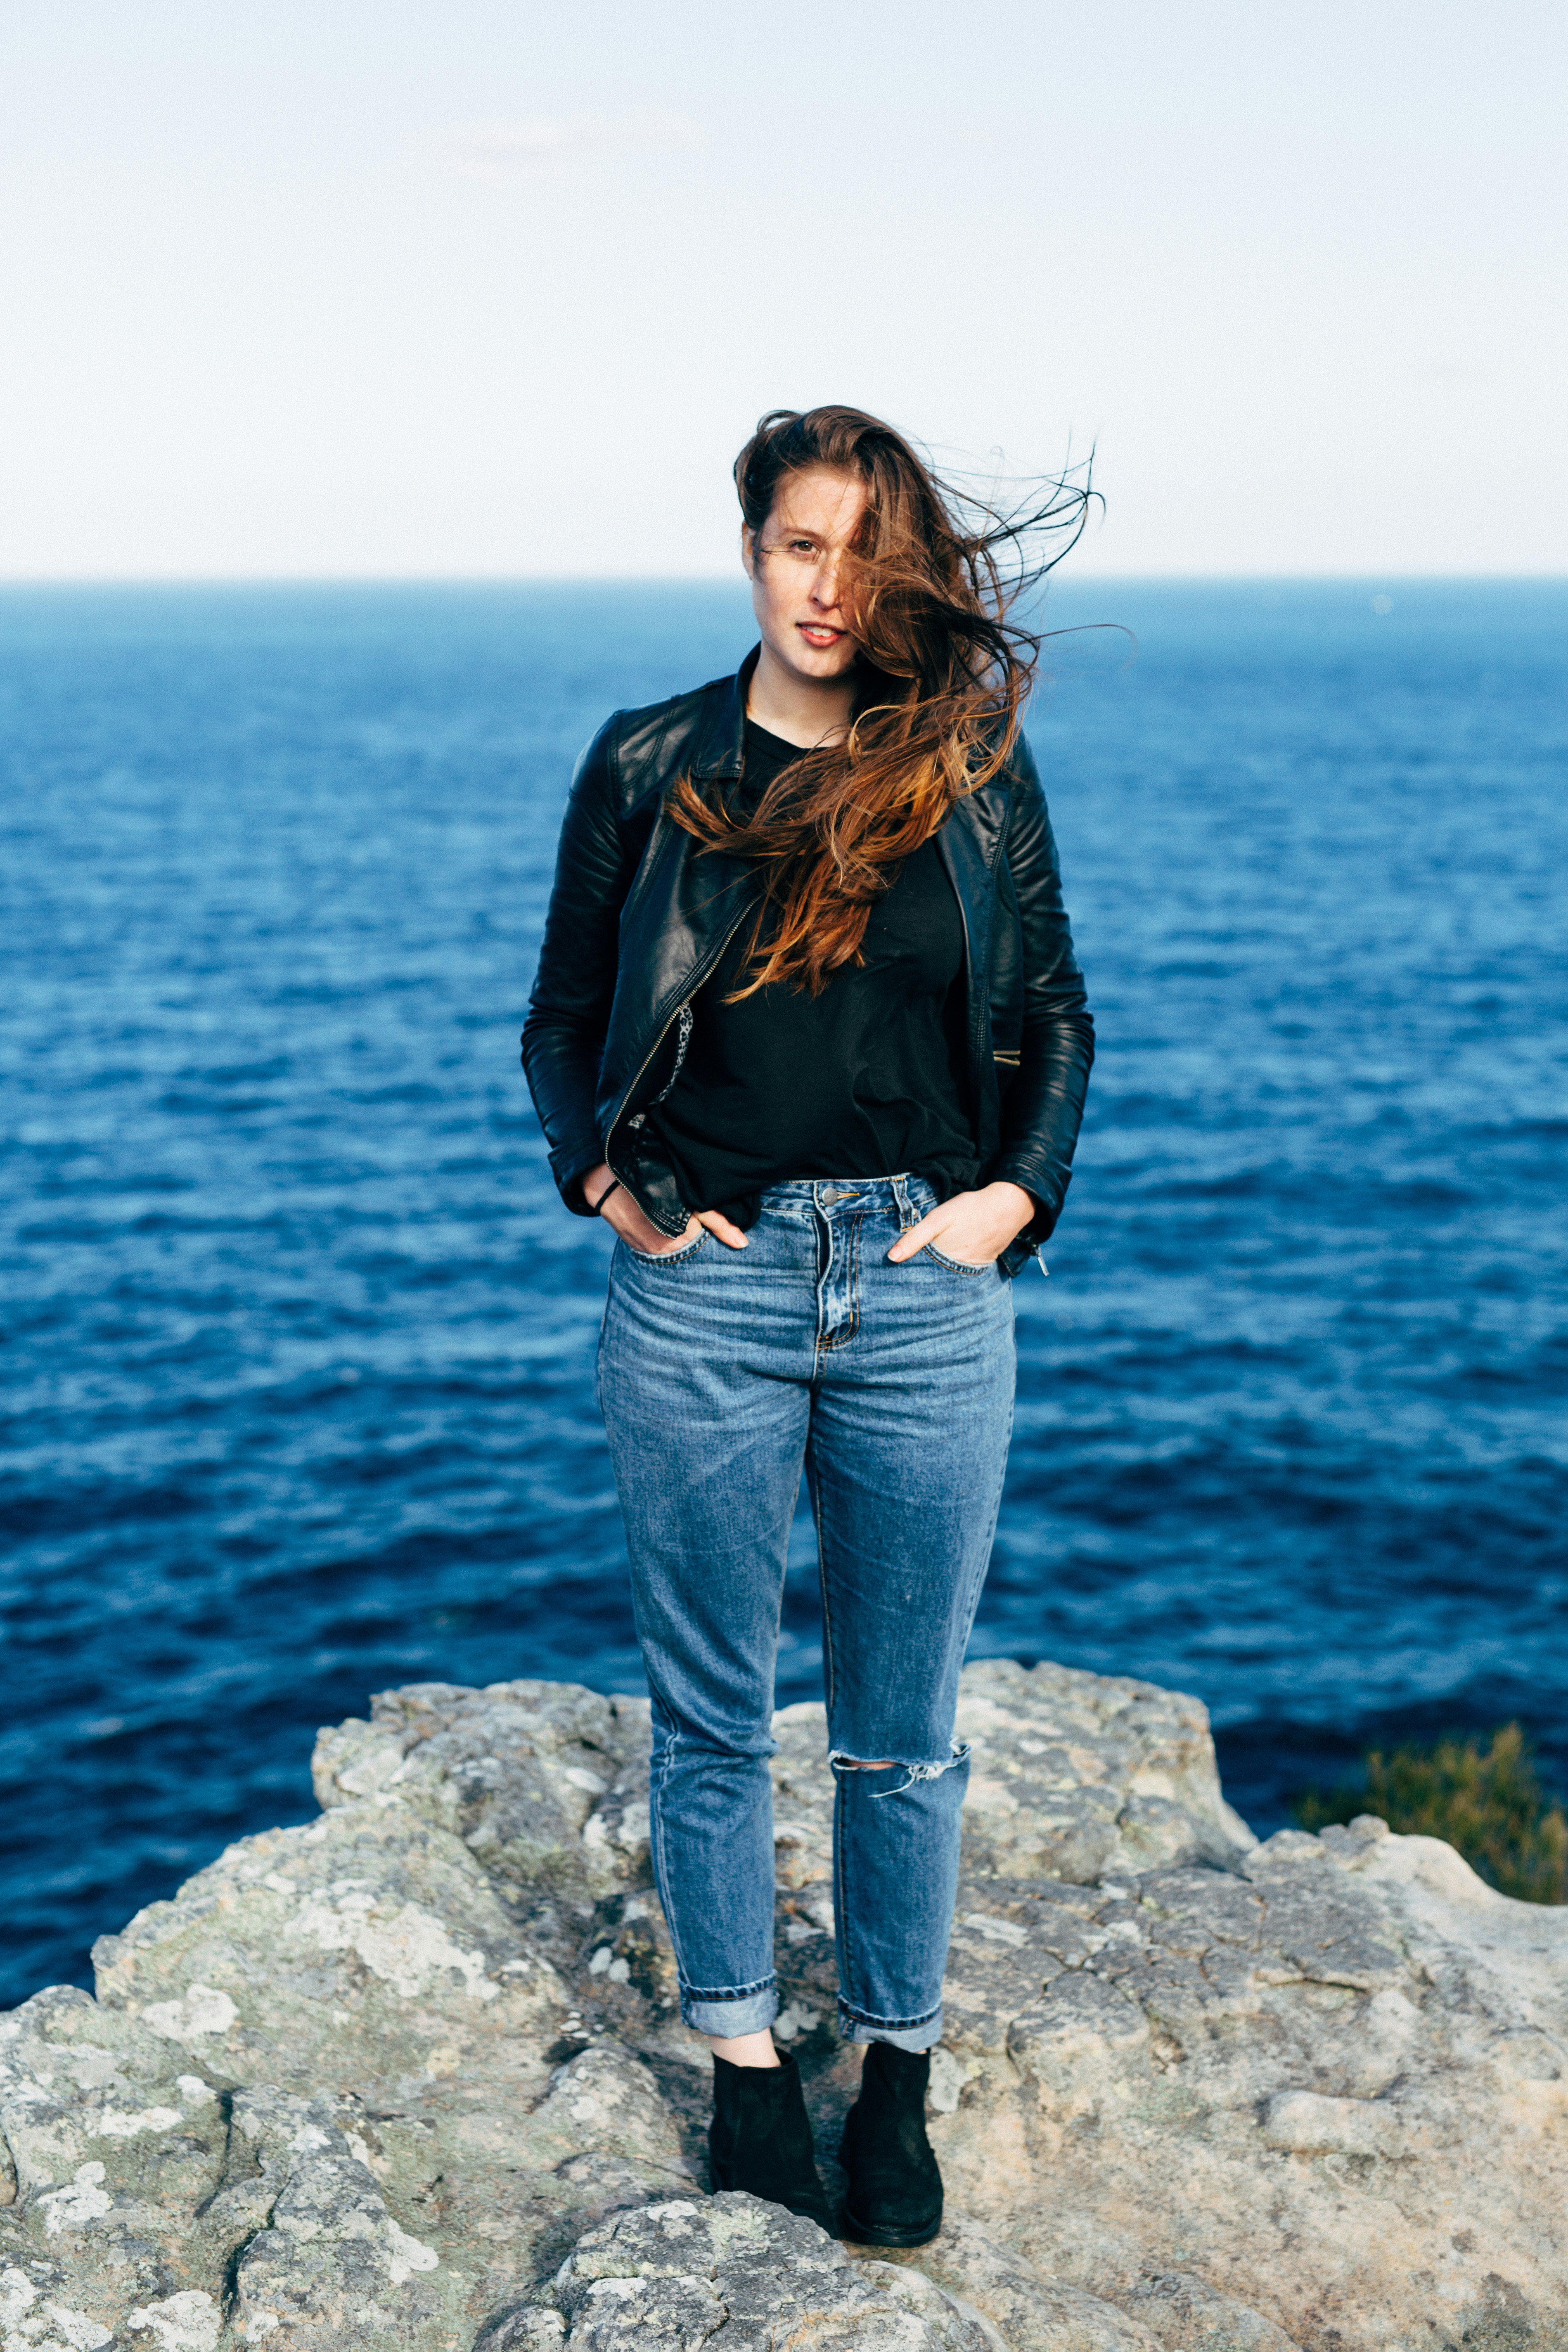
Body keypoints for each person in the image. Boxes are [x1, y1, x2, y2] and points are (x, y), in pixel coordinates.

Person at [522, 405, 1093, 2245]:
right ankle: (749, 2071)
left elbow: (1056, 1010)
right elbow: (558, 1020)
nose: (826, 584)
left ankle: (899, 2077)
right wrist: (604, 1190)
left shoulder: (969, 768)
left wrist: (1008, 1201)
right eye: (796, 542)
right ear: (749, 550)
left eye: (863, 549)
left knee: (899, 1732)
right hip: (706, 1292)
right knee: (708, 1722)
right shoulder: (646, 761)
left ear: (897, 567)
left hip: (922, 1292)